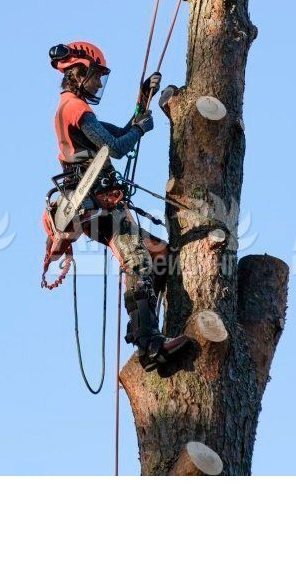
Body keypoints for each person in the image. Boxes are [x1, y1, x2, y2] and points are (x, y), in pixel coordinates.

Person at [45, 41, 191, 372]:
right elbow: (116, 146)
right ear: (78, 72)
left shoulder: (76, 110)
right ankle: (149, 344)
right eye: (96, 76)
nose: (99, 83)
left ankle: (144, 326)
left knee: (162, 257)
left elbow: (120, 133)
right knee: (137, 258)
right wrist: (140, 128)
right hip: (94, 206)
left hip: (102, 205)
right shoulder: (74, 109)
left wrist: (143, 100)